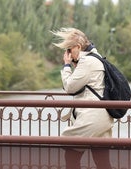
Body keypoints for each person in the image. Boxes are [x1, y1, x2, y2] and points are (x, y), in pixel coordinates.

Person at [51, 27, 113, 169]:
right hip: (103, 117)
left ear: (78, 47)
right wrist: (76, 63)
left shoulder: (87, 62)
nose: (68, 54)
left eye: (69, 50)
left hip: (91, 117)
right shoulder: (96, 57)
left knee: (71, 155)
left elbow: (70, 87)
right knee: (102, 162)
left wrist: (67, 65)